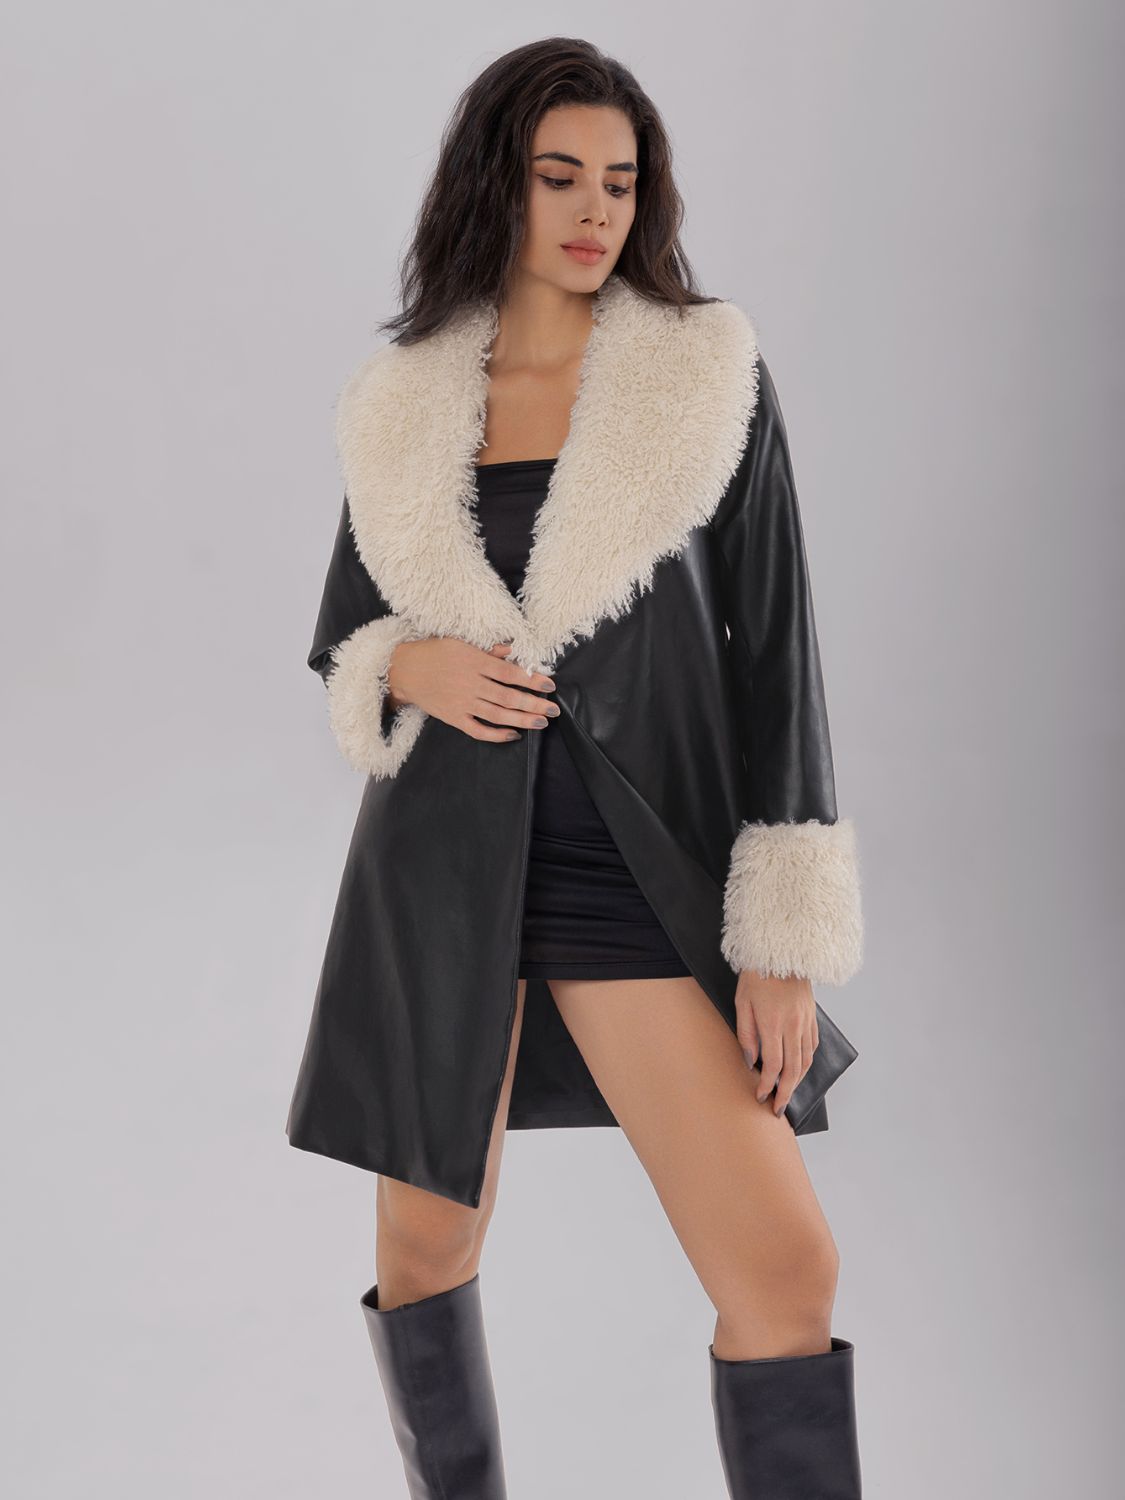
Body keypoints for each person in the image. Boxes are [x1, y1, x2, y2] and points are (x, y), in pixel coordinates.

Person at [287, 36, 866, 1500]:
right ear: (498, 183)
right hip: (439, 872)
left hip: (633, 867)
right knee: (425, 1250)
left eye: (619, 180)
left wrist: (779, 940)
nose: (595, 209)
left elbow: (776, 652)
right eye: (560, 177)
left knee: (783, 1271)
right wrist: (408, 665)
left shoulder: (703, 372)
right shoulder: (404, 397)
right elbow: (348, 636)